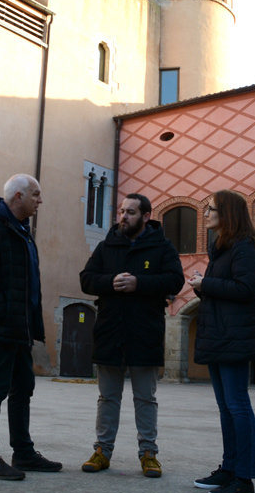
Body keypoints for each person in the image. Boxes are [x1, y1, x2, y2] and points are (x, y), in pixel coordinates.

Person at [0, 173, 62, 480]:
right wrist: (4, 312)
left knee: (23, 387)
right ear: (18, 196)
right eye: (35, 194)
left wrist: (29, 322)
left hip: (20, 327)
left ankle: (24, 453)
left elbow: (27, 281)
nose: (40, 200)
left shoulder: (21, 229)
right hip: (2, 325)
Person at [79, 193, 184, 478]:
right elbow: (86, 279)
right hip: (110, 331)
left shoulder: (162, 246)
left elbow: (175, 280)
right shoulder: (106, 245)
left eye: (131, 213)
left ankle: (149, 454)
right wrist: (109, 283)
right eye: (122, 212)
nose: (124, 217)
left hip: (145, 332)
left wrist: (139, 283)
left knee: (145, 398)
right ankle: (102, 451)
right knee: (107, 398)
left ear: (146, 216)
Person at [187, 189, 255, 493]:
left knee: (237, 406)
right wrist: (201, 287)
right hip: (220, 336)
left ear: (227, 216)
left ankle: (243, 479)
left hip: (234, 337)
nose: (205, 214)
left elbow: (246, 288)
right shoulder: (222, 248)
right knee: (226, 408)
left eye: (211, 210)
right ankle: (229, 468)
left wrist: (205, 283)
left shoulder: (244, 248)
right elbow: (225, 292)